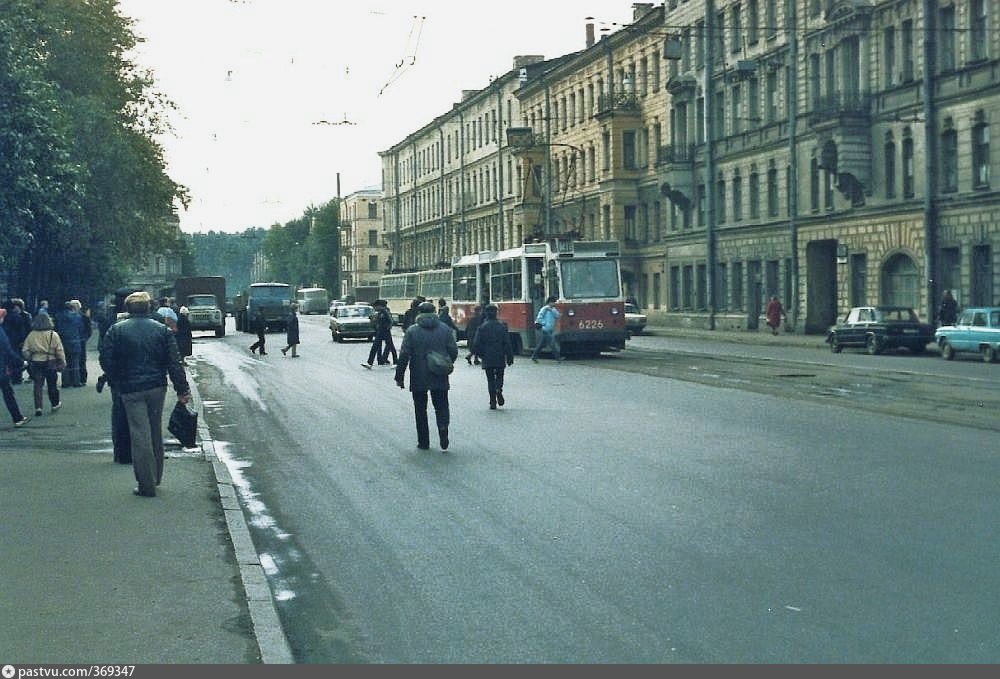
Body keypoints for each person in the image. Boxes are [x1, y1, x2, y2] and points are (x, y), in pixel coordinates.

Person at [99, 291, 191, 498]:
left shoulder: (116, 330)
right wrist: (182, 390)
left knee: (139, 434)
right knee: (155, 431)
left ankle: (145, 484)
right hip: (156, 387)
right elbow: (174, 362)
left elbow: (106, 359)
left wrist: (116, 379)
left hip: (130, 389)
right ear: (149, 307)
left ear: (127, 309)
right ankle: (156, 476)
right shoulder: (162, 330)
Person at [394, 300, 458, 451]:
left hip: (418, 374)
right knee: (441, 405)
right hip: (439, 373)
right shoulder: (445, 329)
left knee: (420, 409)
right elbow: (453, 351)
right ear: (435, 312)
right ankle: (443, 428)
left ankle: (424, 441)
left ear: (419, 313)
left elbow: (404, 354)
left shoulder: (412, 331)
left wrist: (400, 375)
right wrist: (445, 362)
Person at [471, 304, 514, 409]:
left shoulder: (482, 327)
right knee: (500, 376)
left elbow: (476, 344)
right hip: (499, 355)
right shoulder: (502, 326)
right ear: (496, 313)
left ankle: (492, 401)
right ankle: (499, 389)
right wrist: (509, 357)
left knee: (490, 379)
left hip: (487, 356)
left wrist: (480, 355)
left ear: (486, 313)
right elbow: (507, 343)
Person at [22, 312, 65, 417]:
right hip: (50, 361)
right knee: (52, 384)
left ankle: (38, 407)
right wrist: (62, 361)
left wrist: (30, 357)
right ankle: (55, 403)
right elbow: (59, 350)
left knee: (37, 385)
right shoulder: (53, 334)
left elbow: (25, 351)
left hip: (36, 362)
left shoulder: (31, 334)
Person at [0, 309, 29, 427]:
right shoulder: (0, 332)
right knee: (8, 393)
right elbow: (7, 350)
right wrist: (21, 362)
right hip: (1, 369)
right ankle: (17, 418)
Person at [54, 300, 86, 387]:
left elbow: (57, 330)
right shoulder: (78, 317)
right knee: (75, 363)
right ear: (72, 308)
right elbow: (81, 329)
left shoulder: (58, 317)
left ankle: (65, 382)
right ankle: (76, 381)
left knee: (65, 362)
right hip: (75, 342)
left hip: (63, 342)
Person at [3, 298, 32, 384]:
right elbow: (22, 330)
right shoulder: (18, 317)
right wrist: (22, 340)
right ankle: (17, 378)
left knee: (6, 360)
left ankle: (7, 377)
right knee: (16, 359)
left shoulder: (4, 317)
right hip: (16, 341)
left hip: (6, 340)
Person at [362, 299, 395, 369]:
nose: (375, 308)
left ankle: (396, 362)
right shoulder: (380, 313)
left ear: (379, 306)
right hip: (380, 332)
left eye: (375, 306)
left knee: (391, 346)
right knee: (374, 347)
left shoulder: (385, 312)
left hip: (385, 332)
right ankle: (369, 363)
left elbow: (391, 321)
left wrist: (387, 328)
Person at [531, 296, 564, 362]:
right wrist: (544, 323)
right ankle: (558, 358)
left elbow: (557, 316)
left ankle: (534, 356)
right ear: (549, 302)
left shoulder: (553, 309)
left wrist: (553, 311)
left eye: (554, 302)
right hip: (545, 329)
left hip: (550, 329)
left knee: (541, 345)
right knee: (552, 343)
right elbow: (539, 318)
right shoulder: (544, 309)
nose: (554, 303)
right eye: (553, 302)